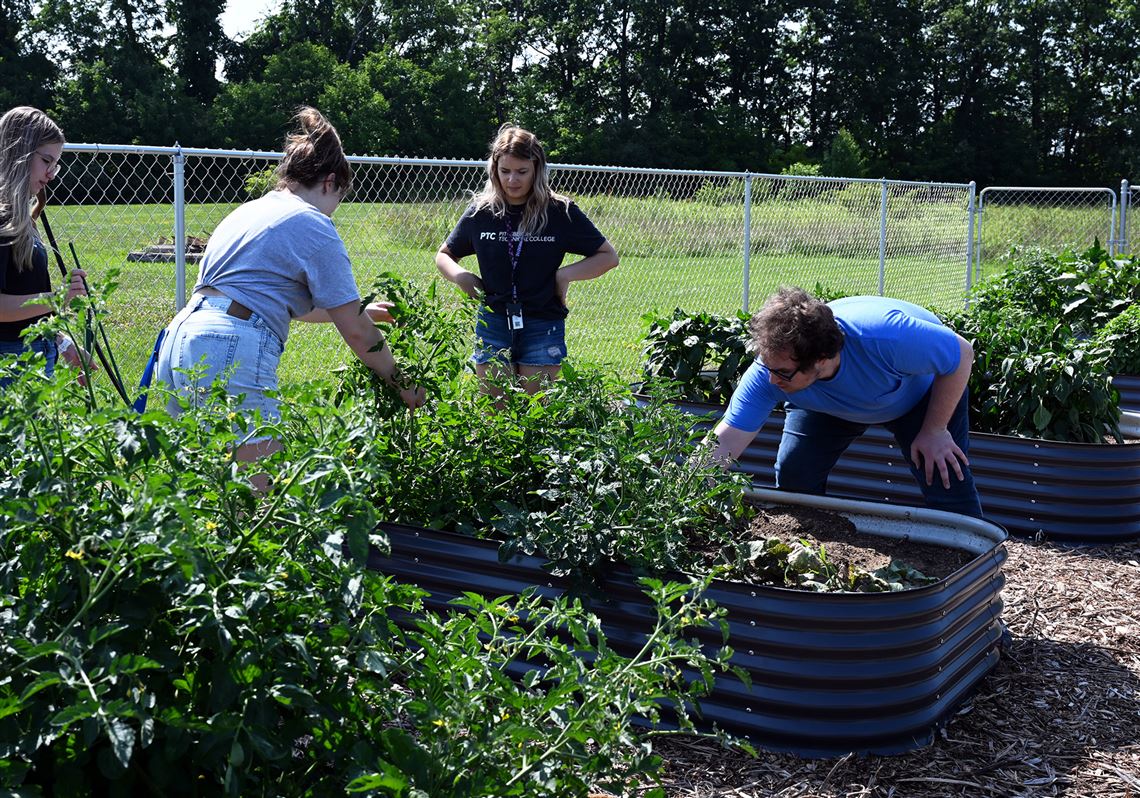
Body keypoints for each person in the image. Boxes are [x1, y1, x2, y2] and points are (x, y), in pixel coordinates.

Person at [154, 106, 424, 468]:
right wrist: (400, 381)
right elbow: (359, 334)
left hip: (182, 336)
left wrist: (351, 313)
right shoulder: (313, 223)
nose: (333, 211)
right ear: (330, 183)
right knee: (260, 493)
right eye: (338, 200)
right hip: (230, 345)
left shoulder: (252, 210)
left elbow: (270, 299)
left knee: (200, 482)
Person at [709, 287, 983, 518]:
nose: (770, 380)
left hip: (919, 398)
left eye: (781, 373)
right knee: (796, 478)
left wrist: (935, 429)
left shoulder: (884, 337)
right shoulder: (773, 370)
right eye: (767, 367)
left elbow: (961, 354)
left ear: (822, 359)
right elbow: (726, 439)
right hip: (829, 405)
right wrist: (684, 489)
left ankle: (974, 568)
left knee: (947, 481)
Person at [435, 124, 618, 395]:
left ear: (537, 170)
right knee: (494, 415)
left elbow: (608, 256)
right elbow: (444, 255)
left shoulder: (559, 211)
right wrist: (461, 277)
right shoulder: (481, 211)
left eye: (522, 172)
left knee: (536, 414)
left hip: (542, 322)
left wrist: (564, 275)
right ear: (494, 170)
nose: (512, 181)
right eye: (505, 171)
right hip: (493, 321)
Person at [0, 106, 88, 387]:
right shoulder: (2, 219)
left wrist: (62, 343)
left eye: (56, 165)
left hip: (33, 355)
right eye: (46, 161)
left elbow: (21, 296)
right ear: (18, 153)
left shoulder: (21, 218)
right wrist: (56, 297)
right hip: (10, 366)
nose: (51, 174)